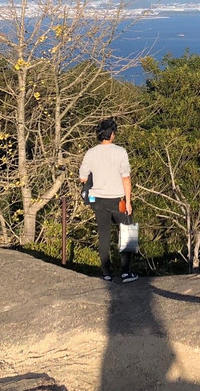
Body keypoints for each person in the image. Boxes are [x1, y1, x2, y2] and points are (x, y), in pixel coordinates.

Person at [79, 118, 138, 283]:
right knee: (128, 233)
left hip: (98, 200)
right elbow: (126, 178)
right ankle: (126, 272)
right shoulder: (120, 152)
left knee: (103, 235)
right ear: (112, 134)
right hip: (117, 199)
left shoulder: (90, 153)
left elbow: (83, 177)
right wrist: (128, 201)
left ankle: (106, 273)